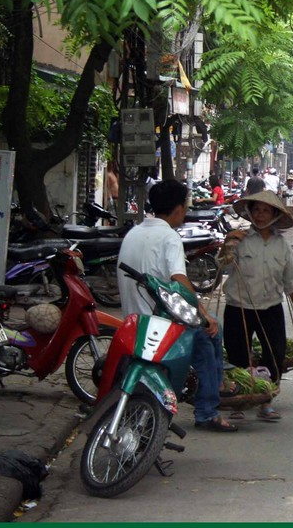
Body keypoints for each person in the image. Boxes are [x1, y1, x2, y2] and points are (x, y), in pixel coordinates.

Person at [117, 179, 237, 432]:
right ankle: (207, 410)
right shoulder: (169, 237)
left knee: (212, 333)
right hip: (161, 322)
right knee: (210, 335)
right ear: (179, 208)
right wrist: (203, 313)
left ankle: (213, 386)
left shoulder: (134, 232)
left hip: (133, 318)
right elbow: (180, 280)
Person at [220, 191, 293, 422]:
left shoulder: (282, 245)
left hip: (271, 308)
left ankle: (266, 402)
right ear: (249, 212)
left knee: (274, 355)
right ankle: (238, 403)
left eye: (265, 210)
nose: (260, 215)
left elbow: (291, 280)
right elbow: (222, 265)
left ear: (275, 215)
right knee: (238, 356)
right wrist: (227, 245)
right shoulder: (239, 238)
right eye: (256, 210)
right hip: (239, 308)